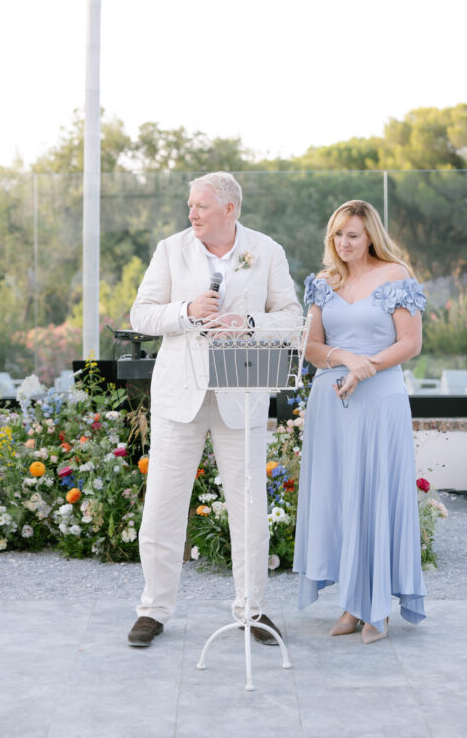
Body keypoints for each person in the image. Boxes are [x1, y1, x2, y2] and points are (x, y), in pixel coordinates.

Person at [127, 171, 302, 648]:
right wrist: (186, 311)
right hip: (178, 397)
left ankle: (253, 610)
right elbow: (140, 314)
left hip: (240, 394)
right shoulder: (171, 249)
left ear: (230, 209)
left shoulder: (267, 250)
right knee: (162, 505)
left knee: (250, 508)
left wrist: (245, 322)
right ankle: (154, 609)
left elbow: (292, 319)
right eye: (190, 205)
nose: (191, 213)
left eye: (201, 205)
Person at [293, 199, 427, 644]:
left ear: (370, 235)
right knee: (341, 497)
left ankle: (377, 608)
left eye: (352, 234)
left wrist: (363, 367)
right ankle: (351, 603)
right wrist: (344, 359)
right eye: (337, 235)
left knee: (375, 494)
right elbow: (311, 346)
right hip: (331, 403)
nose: (343, 243)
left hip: (379, 400)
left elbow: (410, 343)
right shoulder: (322, 283)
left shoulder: (395, 276)